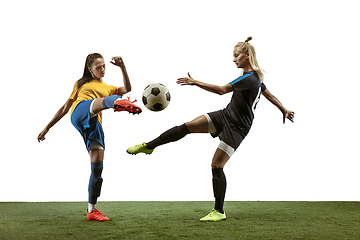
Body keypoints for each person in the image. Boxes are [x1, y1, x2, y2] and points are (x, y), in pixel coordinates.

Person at [126, 37, 295, 222]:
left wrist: (195, 82)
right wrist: (284, 109)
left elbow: (222, 90)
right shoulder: (252, 78)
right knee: (188, 126)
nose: (234, 59)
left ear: (247, 56)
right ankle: (149, 146)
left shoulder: (250, 77)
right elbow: (269, 95)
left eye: (236, 55)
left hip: (238, 128)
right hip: (225, 115)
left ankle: (219, 211)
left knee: (216, 165)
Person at [38, 53, 142, 221]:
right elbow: (66, 107)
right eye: (98, 67)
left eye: (104, 66)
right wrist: (47, 127)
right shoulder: (81, 83)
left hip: (94, 127)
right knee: (108, 100)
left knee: (97, 169)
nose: (102, 69)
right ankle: (117, 103)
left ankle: (91, 210)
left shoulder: (108, 87)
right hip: (80, 112)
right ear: (90, 69)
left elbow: (127, 88)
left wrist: (123, 67)